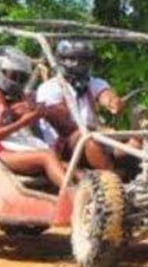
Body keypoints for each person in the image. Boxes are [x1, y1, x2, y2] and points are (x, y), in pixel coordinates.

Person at [0, 46, 69, 189]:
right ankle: (73, 196)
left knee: (71, 168)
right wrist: (23, 121)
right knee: (47, 156)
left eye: (21, 77)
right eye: (13, 75)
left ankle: (100, 196)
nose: (17, 81)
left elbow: (49, 114)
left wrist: (43, 112)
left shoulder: (20, 96)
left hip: (22, 147)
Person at [34, 39, 125, 170]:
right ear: (63, 61)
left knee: (135, 140)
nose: (81, 65)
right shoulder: (50, 88)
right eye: (76, 60)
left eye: (85, 60)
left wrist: (113, 102)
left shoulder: (93, 82)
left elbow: (105, 94)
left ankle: (145, 178)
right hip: (63, 146)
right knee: (89, 138)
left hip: (94, 138)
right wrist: (99, 131)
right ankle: (111, 181)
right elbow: (64, 126)